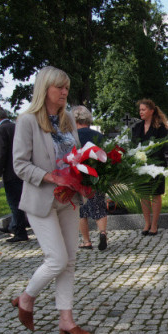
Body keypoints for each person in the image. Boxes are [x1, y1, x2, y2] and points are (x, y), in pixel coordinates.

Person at [11, 66, 92, 334]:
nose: (64, 92)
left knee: (69, 260)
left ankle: (66, 320)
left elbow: (76, 156)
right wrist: (50, 176)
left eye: (67, 87)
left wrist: (88, 176)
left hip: (69, 199)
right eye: (59, 87)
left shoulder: (68, 119)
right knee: (56, 259)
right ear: (45, 89)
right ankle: (26, 298)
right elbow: (20, 165)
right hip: (41, 199)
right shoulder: (27, 121)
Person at [0, 106, 28, 243]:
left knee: (14, 202)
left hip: (10, 172)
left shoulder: (0, 130)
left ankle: (19, 231)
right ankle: (13, 225)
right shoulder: (15, 126)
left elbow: (0, 153)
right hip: (22, 170)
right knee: (20, 201)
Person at [71, 105, 108, 251]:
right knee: (99, 206)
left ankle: (86, 241)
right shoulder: (98, 136)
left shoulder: (72, 137)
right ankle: (103, 232)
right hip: (96, 177)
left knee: (81, 211)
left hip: (78, 178)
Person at [131, 99, 168, 236]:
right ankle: (147, 223)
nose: (140, 112)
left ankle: (154, 224)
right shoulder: (137, 127)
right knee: (143, 194)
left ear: (151, 111)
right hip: (140, 166)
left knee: (156, 194)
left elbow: (162, 145)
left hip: (156, 165)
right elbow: (133, 145)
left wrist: (149, 157)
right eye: (140, 110)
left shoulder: (160, 127)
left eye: (143, 109)